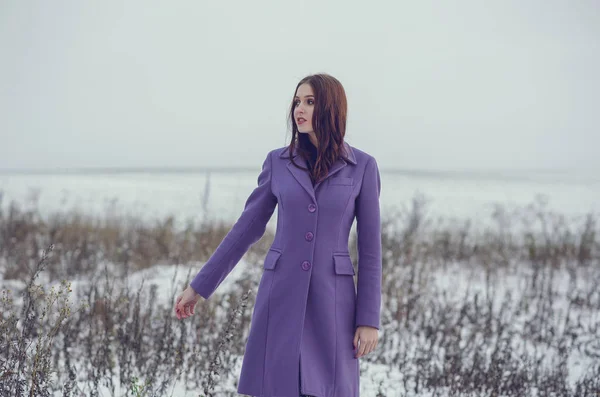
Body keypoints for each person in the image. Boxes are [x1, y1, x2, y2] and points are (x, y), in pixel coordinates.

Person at [174, 73, 382, 397]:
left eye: (310, 102)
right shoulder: (278, 162)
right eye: (297, 101)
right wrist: (200, 286)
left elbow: (370, 251)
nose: (300, 109)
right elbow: (246, 228)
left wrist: (369, 319)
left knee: (329, 389)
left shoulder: (363, 167)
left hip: (333, 302)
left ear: (331, 107)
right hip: (280, 296)